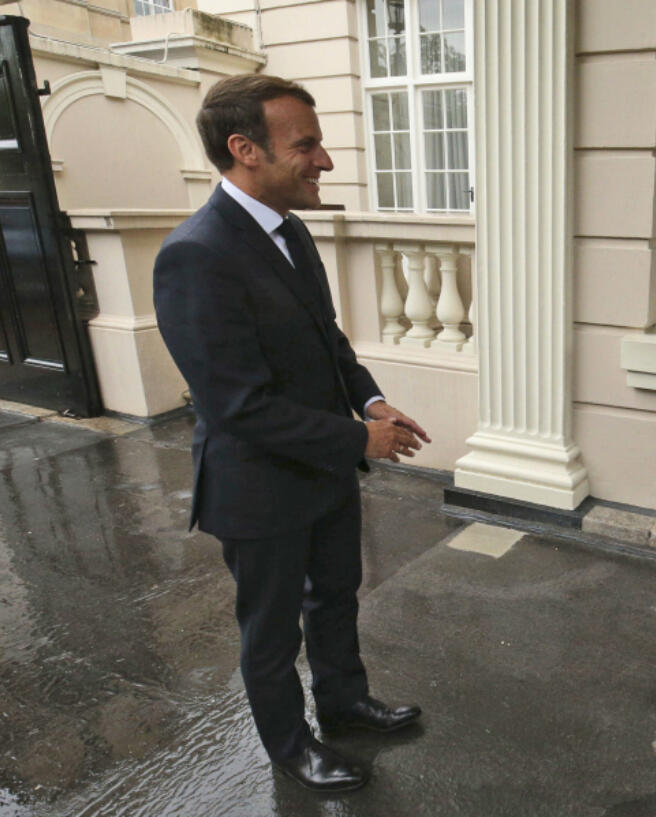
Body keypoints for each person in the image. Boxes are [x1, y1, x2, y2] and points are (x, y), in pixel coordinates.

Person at [154, 74, 431, 792]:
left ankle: (343, 702)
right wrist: (357, 441)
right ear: (244, 149)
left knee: (335, 596)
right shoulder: (195, 254)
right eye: (305, 145)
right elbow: (239, 405)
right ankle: (291, 746)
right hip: (258, 489)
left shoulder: (291, 232)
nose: (325, 161)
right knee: (270, 634)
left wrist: (370, 403)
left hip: (325, 470)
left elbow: (328, 341)